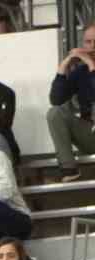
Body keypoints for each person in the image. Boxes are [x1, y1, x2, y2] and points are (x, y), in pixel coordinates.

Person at [48, 23, 95, 182]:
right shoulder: (80, 72)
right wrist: (64, 65)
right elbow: (56, 99)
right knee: (55, 113)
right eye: (88, 42)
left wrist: (91, 65)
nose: (92, 46)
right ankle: (69, 168)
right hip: (90, 133)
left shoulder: (88, 67)